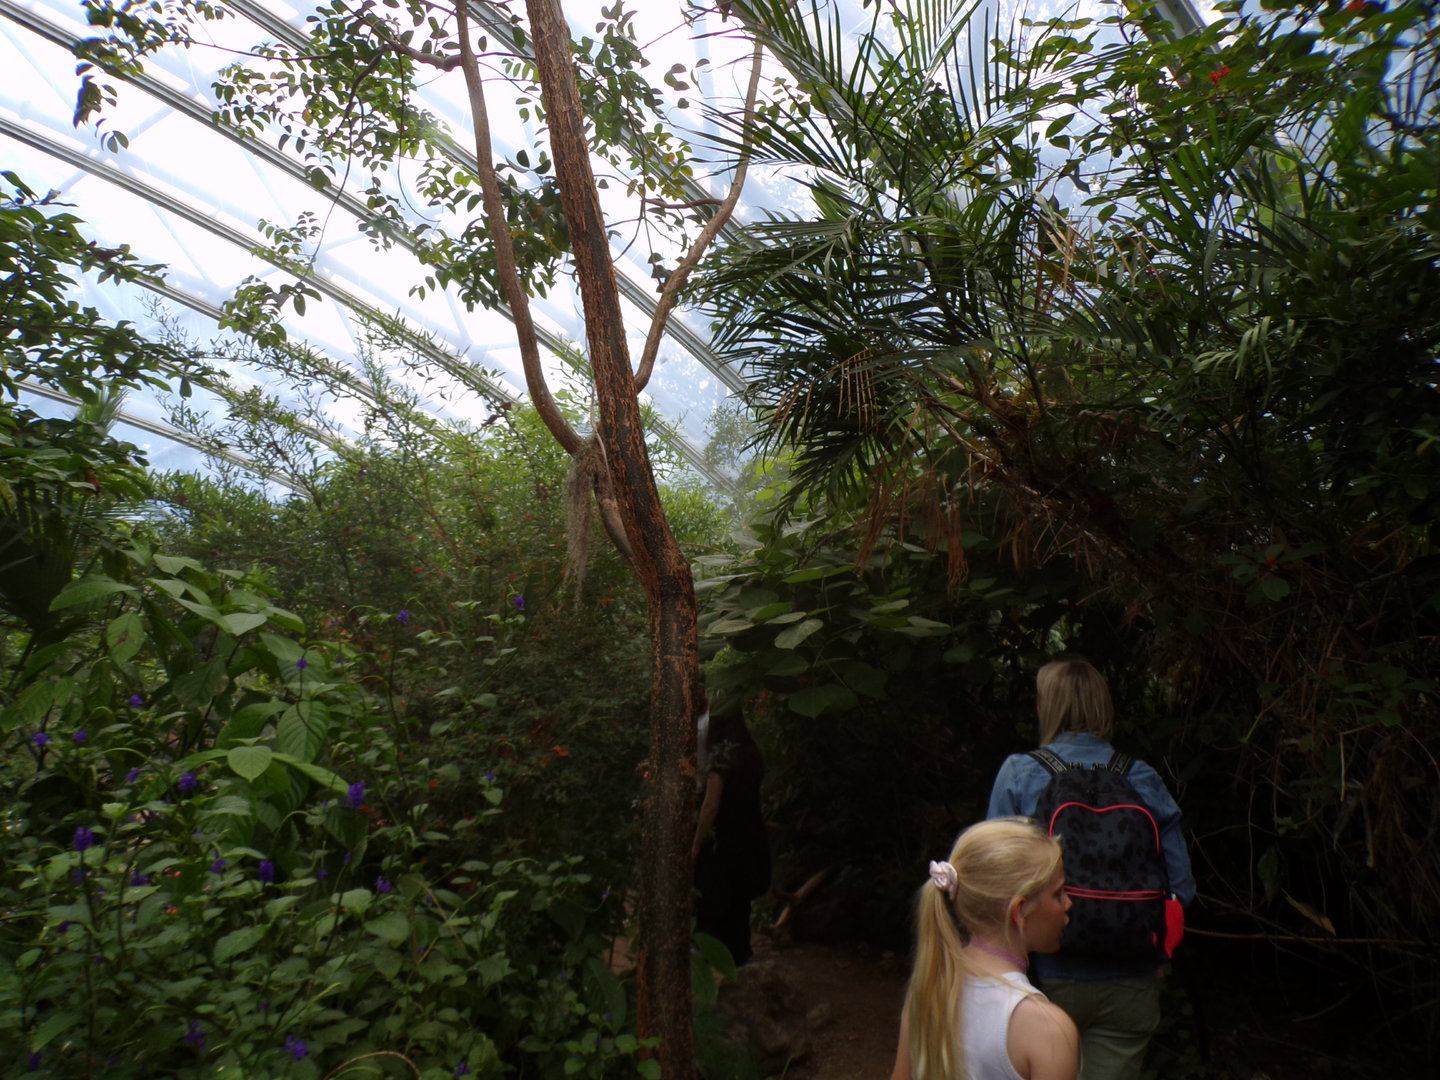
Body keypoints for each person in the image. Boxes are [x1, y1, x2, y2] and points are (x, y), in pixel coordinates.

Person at [987, 657, 1196, 1080]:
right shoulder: (1141, 777)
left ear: (1047, 706)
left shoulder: (1021, 774)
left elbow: (993, 882)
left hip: (1047, 974)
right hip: (1132, 978)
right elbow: (1182, 886)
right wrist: (1156, 953)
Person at [889, 817, 1079, 1080]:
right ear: (1020, 911)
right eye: (1058, 893)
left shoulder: (932, 986)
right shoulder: (1048, 1029)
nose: (1068, 903)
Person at [691, 691, 770, 965]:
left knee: (712, 898)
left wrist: (696, 843)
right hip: (750, 835)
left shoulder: (721, 760)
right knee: (739, 902)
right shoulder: (751, 754)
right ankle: (739, 956)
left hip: (723, 841)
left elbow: (711, 805)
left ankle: (708, 956)